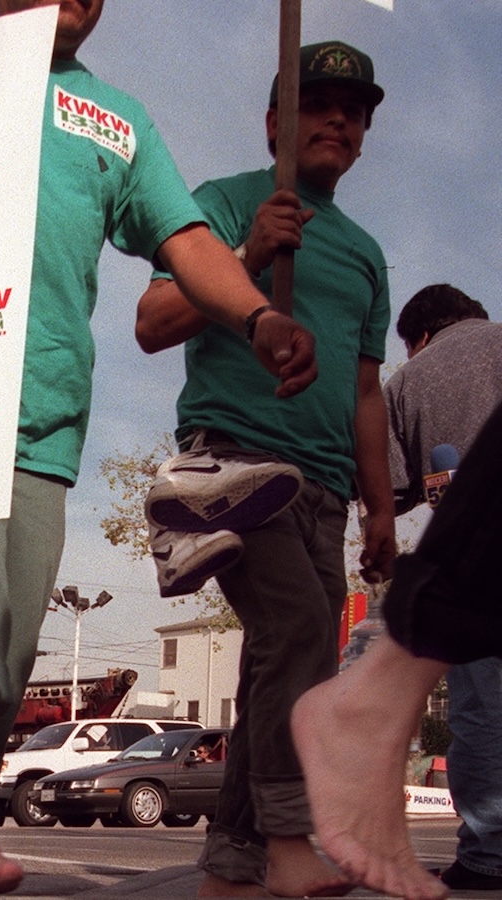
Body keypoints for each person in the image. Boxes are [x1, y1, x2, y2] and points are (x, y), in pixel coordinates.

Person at [0, 4, 319, 895]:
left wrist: (257, 314)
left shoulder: (117, 117)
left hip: (48, 411)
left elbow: (184, 239)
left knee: (7, 646)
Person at [136, 39, 394, 897]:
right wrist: (246, 253)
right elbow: (151, 320)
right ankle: (288, 837)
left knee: (290, 654)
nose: (337, 120)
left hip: (323, 490)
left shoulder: (363, 254)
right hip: (236, 466)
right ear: (274, 122)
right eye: (318, 104)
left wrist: (380, 510)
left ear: (362, 137)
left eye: (353, 113)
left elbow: (365, 390)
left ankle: (232, 862)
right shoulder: (222, 204)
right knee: (297, 632)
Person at [294, 399, 502, 900]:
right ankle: (388, 682)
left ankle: (392, 675)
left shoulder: (415, 378)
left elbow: (384, 471)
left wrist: (382, 512)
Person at [380, 284, 502, 892]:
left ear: (418, 335)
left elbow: (392, 494)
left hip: (474, 569)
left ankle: (487, 856)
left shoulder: (407, 380)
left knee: (480, 713)